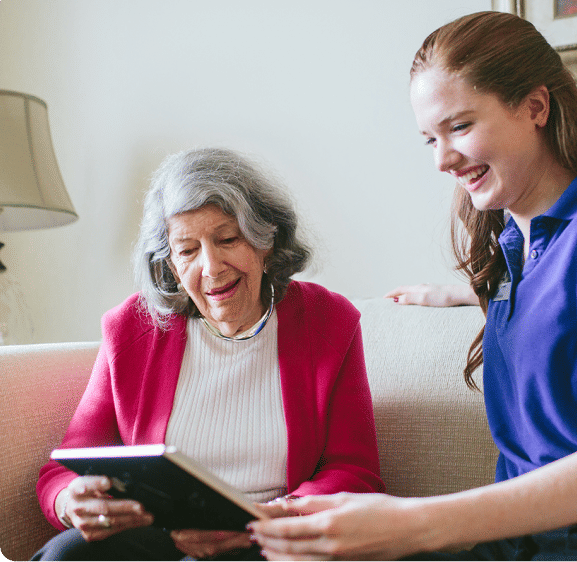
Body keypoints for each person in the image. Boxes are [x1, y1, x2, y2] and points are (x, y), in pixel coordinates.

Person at [250, 11, 577, 561]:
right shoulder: (513, 256)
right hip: (516, 545)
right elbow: (561, 303)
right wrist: (468, 292)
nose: (443, 159)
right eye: (430, 139)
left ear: (535, 107)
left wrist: (414, 522)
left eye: (460, 127)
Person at [33, 147, 384, 561]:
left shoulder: (329, 323)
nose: (212, 267)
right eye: (187, 250)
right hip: (155, 533)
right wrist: (69, 501)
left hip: (272, 536)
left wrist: (269, 520)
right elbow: (65, 468)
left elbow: (355, 471)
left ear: (265, 240)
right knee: (66, 557)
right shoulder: (131, 327)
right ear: (170, 265)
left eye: (227, 239)